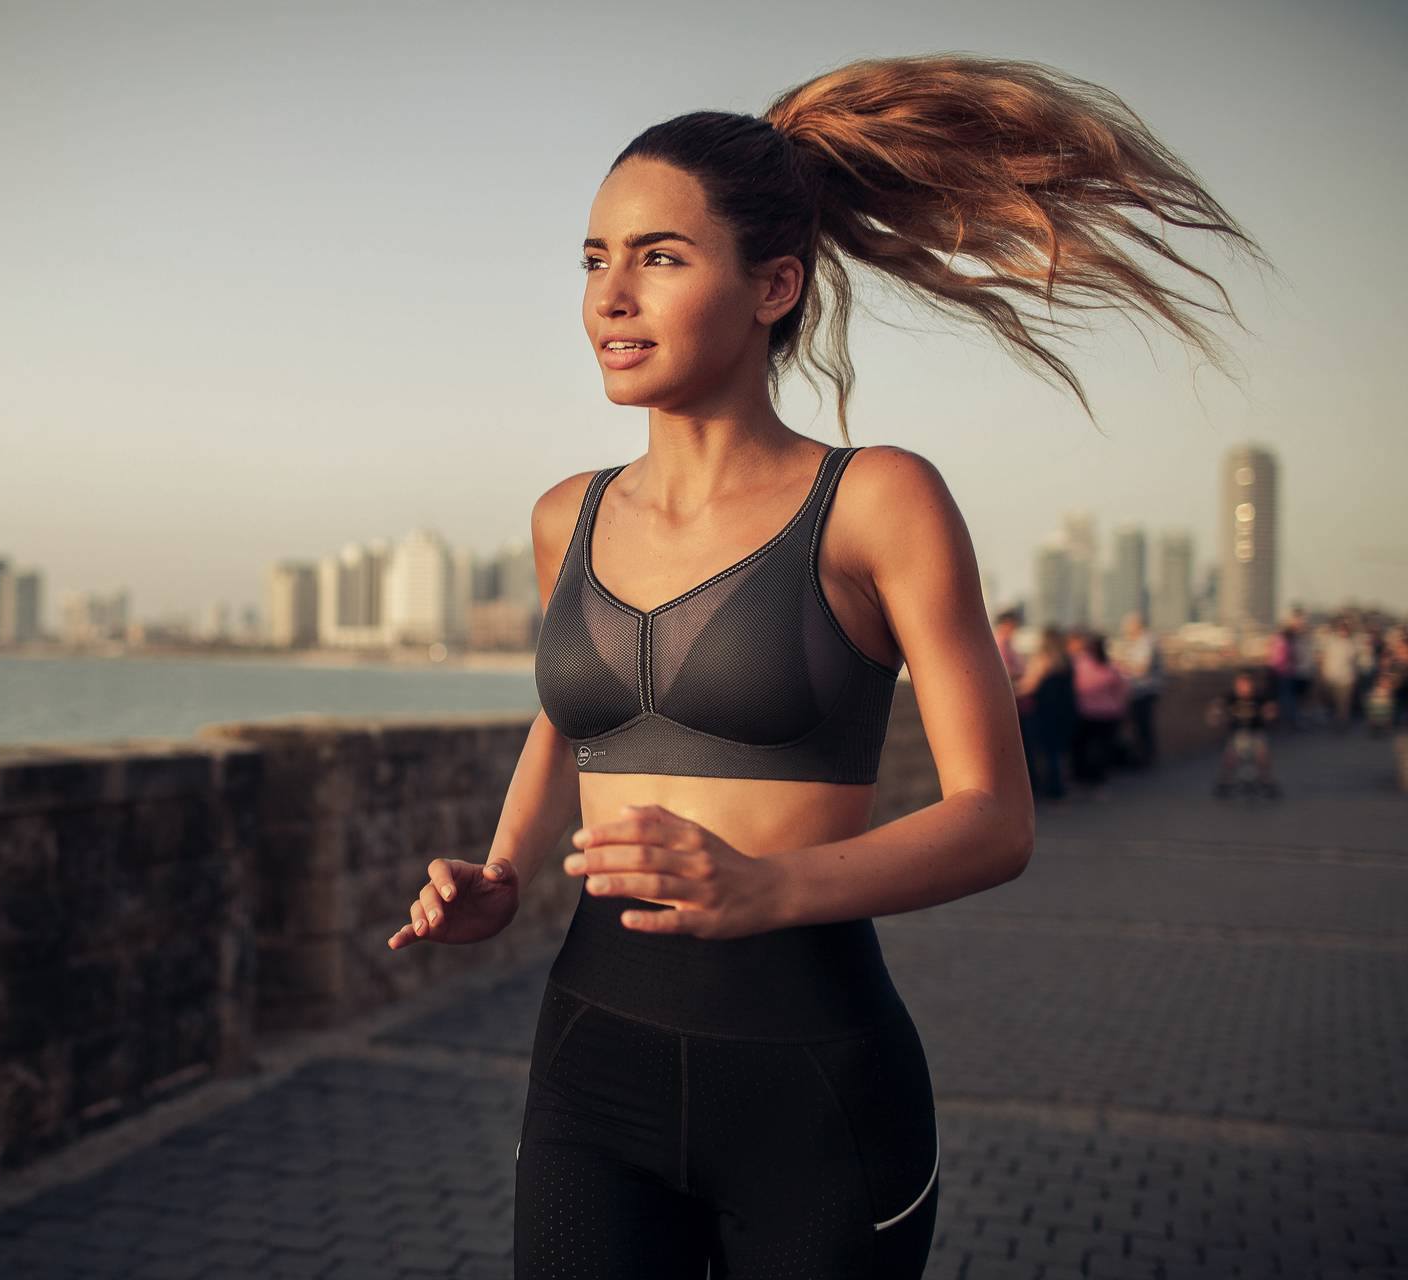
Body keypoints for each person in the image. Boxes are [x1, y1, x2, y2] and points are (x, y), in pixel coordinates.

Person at [384, 52, 1265, 1280]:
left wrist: (766, 887)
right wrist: (500, 866)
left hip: (811, 1087)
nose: (612, 296)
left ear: (774, 285)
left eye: (661, 257)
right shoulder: (564, 515)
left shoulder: (875, 501)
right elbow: (568, 714)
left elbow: (994, 819)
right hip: (591, 1066)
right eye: (594, 259)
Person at [1017, 627, 1079, 801]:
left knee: (1046, 751)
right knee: (1058, 751)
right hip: (1064, 711)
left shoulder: (1042, 660)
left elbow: (1029, 686)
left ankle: (1052, 789)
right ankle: (1059, 787)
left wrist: (1009, 690)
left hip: (1045, 712)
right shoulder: (1067, 660)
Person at [1069, 632, 1129, 800]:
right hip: (1108, 714)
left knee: (1083, 748)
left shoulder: (1080, 664)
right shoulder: (1111, 666)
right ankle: (1099, 783)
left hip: (1086, 713)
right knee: (1102, 749)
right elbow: (1122, 690)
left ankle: (1084, 780)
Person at [1207, 669, 1280, 797]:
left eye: (1247, 684)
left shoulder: (1259, 697)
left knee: (1262, 754)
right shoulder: (1231, 696)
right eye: (1241, 684)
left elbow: (1271, 707)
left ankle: (1267, 781)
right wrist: (1216, 714)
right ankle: (1225, 782)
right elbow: (1217, 704)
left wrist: (1270, 713)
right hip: (1237, 733)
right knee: (1230, 756)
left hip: (1255, 732)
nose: (1244, 688)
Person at [997, 608, 1040, 790]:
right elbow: (1005, 673)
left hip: (1019, 702)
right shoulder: (1000, 644)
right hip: (1013, 702)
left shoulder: (1008, 644)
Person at [1112, 611, 1163, 766]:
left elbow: (1142, 668)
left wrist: (1122, 664)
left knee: (1143, 726)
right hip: (1138, 691)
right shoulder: (1137, 641)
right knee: (1139, 726)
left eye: (1128, 627)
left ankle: (1146, 759)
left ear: (1136, 626)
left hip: (1145, 691)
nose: (1126, 631)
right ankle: (1144, 757)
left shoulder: (1146, 641)